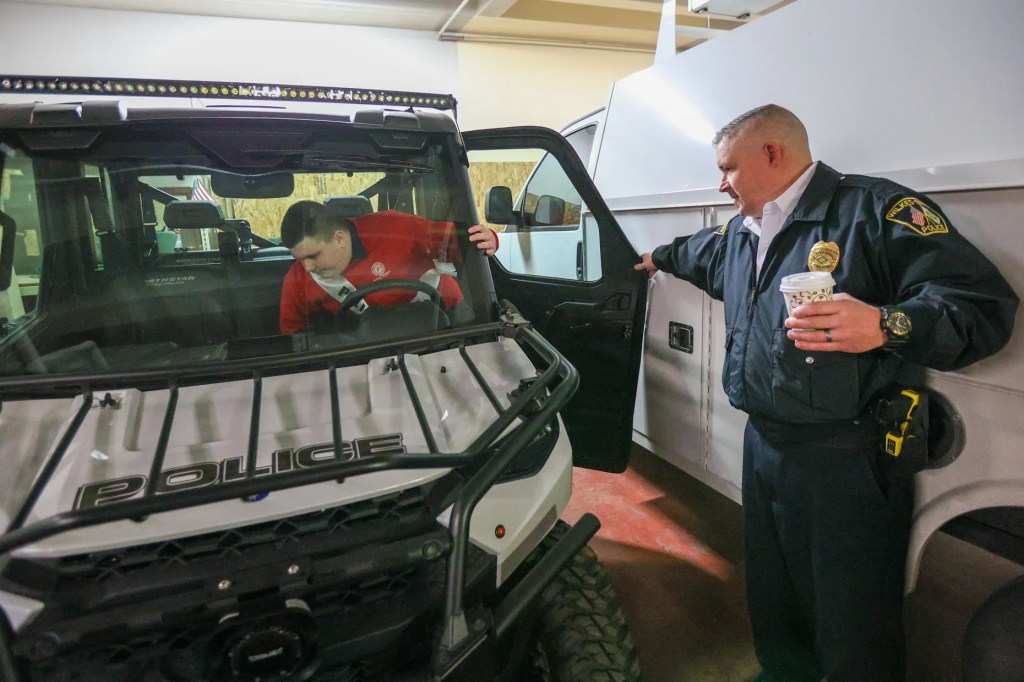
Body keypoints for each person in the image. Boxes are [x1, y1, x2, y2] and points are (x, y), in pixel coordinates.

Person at [635, 104, 1018, 682]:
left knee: (851, 602)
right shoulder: (742, 232)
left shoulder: (876, 211)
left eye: (728, 168)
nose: (721, 183)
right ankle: (785, 671)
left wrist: (888, 324)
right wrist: (655, 258)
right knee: (775, 583)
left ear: (772, 153)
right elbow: (696, 254)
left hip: (848, 452)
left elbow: (982, 307)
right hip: (764, 440)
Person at [279, 200, 497, 335]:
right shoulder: (297, 280)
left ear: (339, 238)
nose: (306, 267)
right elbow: (293, 336)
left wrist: (488, 238)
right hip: (365, 342)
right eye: (299, 259)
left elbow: (456, 242)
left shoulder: (393, 228)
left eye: (313, 256)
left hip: (443, 321)